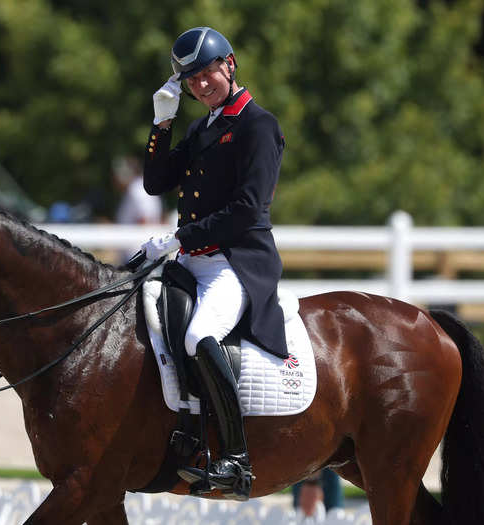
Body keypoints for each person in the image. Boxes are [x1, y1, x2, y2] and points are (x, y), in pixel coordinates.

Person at [140, 26, 287, 501]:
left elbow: (248, 209)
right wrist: (162, 125)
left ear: (231, 64)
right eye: (191, 80)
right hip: (192, 260)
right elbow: (156, 182)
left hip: (236, 262)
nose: (201, 85)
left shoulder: (257, 124)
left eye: (207, 74)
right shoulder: (202, 127)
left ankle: (237, 459)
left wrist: (179, 237)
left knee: (199, 336)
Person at [112, 156, 163, 262]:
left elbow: (145, 219)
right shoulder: (134, 189)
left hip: (138, 252)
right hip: (135, 251)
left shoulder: (137, 190)